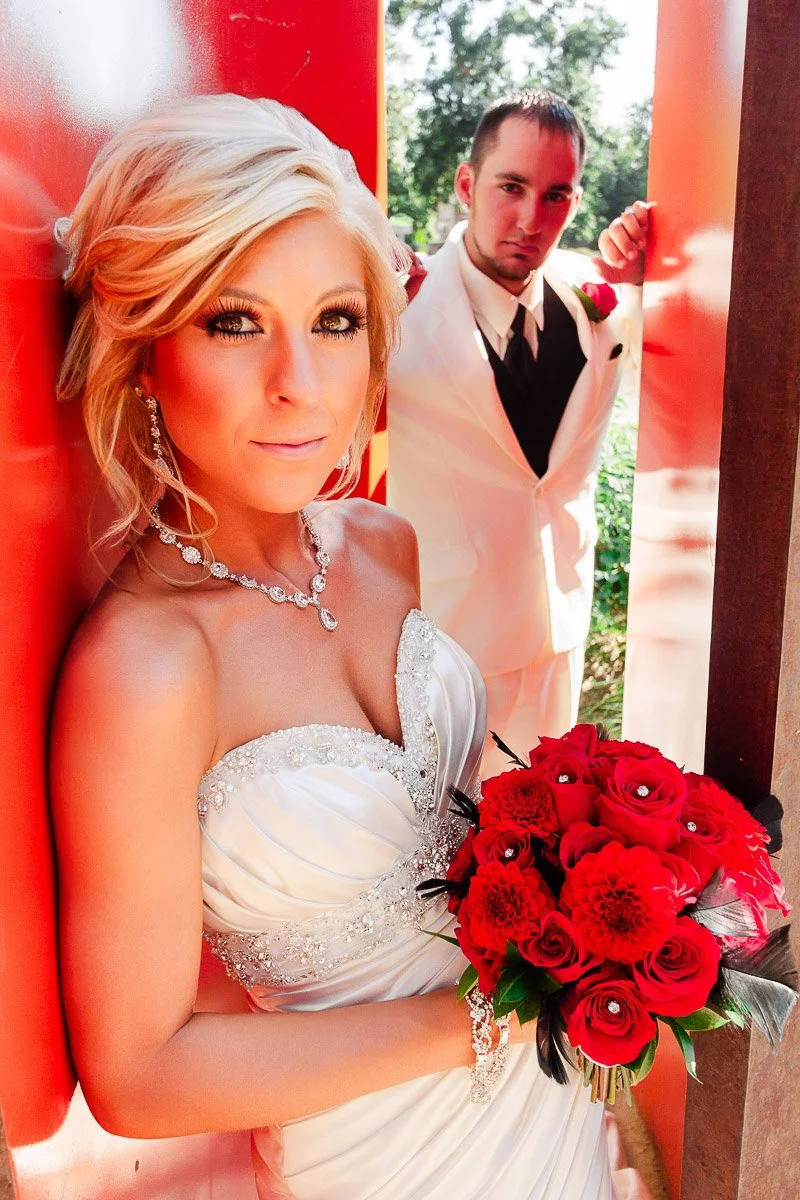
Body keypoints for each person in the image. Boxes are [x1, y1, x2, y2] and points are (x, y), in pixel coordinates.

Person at [50, 93, 639, 1200]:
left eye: (333, 320)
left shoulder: (381, 543)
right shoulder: (148, 665)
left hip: (547, 1103)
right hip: (382, 1159)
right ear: (143, 353)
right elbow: (137, 1075)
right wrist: (485, 1018)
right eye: (232, 320)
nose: (299, 385)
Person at [388, 90, 650, 773]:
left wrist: (651, 273)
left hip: (558, 643)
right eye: (512, 186)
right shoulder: (396, 310)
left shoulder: (597, 310)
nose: (532, 219)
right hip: (444, 651)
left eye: (557, 195)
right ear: (467, 184)